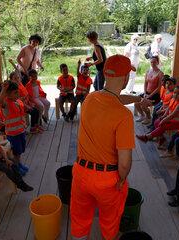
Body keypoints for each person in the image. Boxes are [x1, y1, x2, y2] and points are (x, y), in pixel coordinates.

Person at [70, 55, 136, 240]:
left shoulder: (90, 99)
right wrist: (122, 180)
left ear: (105, 73)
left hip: (81, 174)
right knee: (109, 223)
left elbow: (112, 99)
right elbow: (124, 163)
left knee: (80, 222)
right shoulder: (124, 116)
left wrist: (138, 99)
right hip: (108, 180)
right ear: (125, 78)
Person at [0, 80, 29, 175]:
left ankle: (19, 164)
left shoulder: (17, 102)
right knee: (16, 153)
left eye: (17, 91)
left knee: (19, 152)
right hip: (13, 134)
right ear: (7, 94)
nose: (18, 93)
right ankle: (16, 168)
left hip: (20, 132)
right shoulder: (6, 104)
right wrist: (3, 89)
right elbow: (0, 101)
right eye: (15, 92)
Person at [8, 58, 41, 134]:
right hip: (22, 106)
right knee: (34, 112)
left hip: (27, 103)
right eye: (15, 78)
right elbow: (17, 101)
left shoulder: (20, 83)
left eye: (18, 78)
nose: (17, 79)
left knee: (37, 110)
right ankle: (33, 128)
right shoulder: (14, 89)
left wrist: (12, 63)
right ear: (11, 80)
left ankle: (35, 126)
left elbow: (18, 71)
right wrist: (26, 106)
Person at [134, 56, 163, 125]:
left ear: (158, 63)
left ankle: (149, 117)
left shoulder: (160, 73)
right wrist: (145, 93)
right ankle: (142, 115)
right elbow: (145, 83)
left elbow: (159, 87)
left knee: (143, 104)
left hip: (155, 95)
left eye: (154, 62)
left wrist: (150, 95)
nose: (153, 63)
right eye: (151, 62)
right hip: (147, 93)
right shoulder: (148, 71)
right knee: (136, 102)